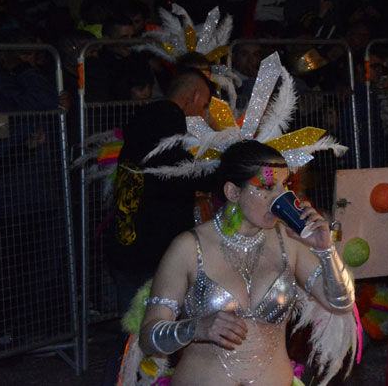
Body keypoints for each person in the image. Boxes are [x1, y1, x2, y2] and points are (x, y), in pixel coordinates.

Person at [134, 140, 354, 386]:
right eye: (268, 187)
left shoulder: (290, 243)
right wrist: (196, 328)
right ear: (233, 192)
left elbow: (340, 302)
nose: (280, 197)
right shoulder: (188, 247)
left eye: (284, 186)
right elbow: (148, 338)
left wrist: (325, 250)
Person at [105, 69, 215, 311]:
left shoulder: (144, 120)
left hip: (127, 236)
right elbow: (182, 171)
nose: (203, 113)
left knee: (134, 323)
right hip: (153, 245)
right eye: (205, 104)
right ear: (194, 96)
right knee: (155, 325)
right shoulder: (168, 123)